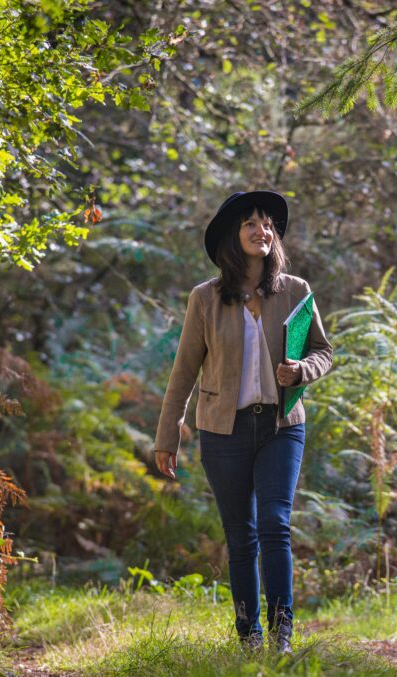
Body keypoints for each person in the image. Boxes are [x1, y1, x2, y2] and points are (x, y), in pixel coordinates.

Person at [152, 190, 333, 654]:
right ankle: (248, 636)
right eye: (250, 223)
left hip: (281, 425)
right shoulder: (205, 299)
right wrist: (167, 434)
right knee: (241, 535)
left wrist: (301, 371)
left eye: (267, 223)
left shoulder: (296, 290)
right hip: (222, 430)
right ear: (233, 238)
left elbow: (323, 352)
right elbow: (184, 371)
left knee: (275, 524)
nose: (261, 230)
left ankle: (281, 635)